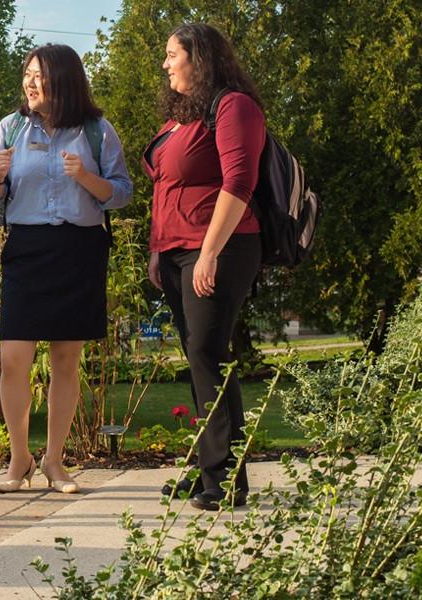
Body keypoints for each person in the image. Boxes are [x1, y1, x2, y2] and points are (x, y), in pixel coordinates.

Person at [0, 44, 133, 494]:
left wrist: (85, 177)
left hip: (79, 248)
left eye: (39, 75)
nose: (30, 82)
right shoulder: (9, 128)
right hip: (27, 248)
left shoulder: (97, 131)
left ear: (63, 79)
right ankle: (19, 458)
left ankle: (55, 462)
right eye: (26, 73)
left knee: (66, 360)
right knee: (13, 360)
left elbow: (122, 192)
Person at [142, 23, 265, 511]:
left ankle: (223, 478)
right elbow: (165, 187)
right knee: (201, 358)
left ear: (200, 57)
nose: (166, 63)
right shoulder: (183, 117)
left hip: (220, 247)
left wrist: (210, 252)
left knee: (206, 354)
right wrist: (157, 250)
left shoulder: (234, 106)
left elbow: (239, 182)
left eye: (173, 54)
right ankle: (211, 468)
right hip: (176, 251)